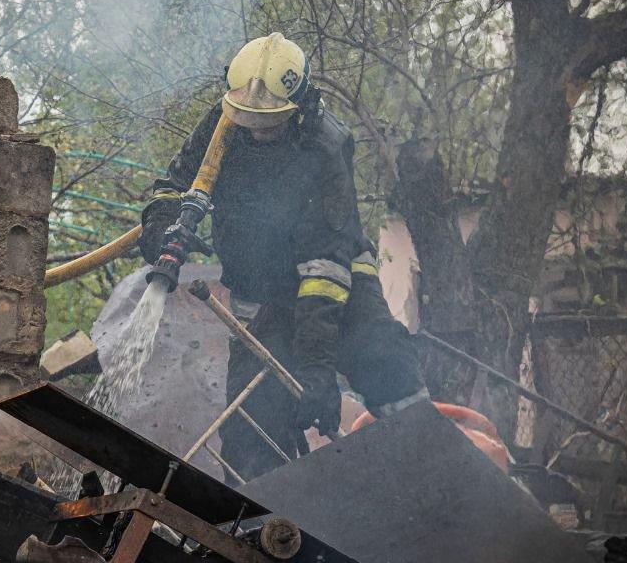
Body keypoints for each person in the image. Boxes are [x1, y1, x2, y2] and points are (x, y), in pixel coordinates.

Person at [140, 32, 428, 481]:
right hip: (262, 294)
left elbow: (324, 266)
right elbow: (172, 184)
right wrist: (161, 224)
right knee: (252, 424)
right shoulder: (222, 123)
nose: (257, 129)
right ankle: (262, 531)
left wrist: (317, 368)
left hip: (338, 285)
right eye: (248, 116)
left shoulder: (325, 147)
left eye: (270, 120)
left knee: (382, 357)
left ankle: (427, 468)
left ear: (300, 106)